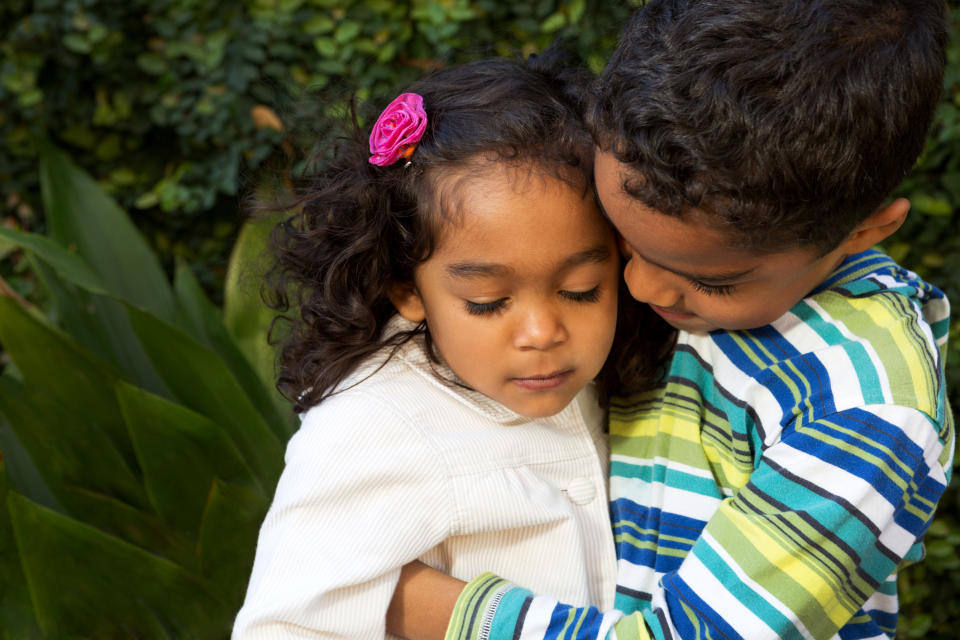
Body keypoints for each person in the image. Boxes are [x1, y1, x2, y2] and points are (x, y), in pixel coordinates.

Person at [386, 1, 955, 639]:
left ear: (864, 232)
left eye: (713, 281)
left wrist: (400, 600)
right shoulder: (687, 231)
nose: (637, 285)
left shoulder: (866, 416)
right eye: (620, 243)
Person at [231, 50, 675, 639]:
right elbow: (284, 625)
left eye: (580, 290)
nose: (542, 333)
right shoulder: (373, 426)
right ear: (406, 287)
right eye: (489, 303)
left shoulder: (627, 371)